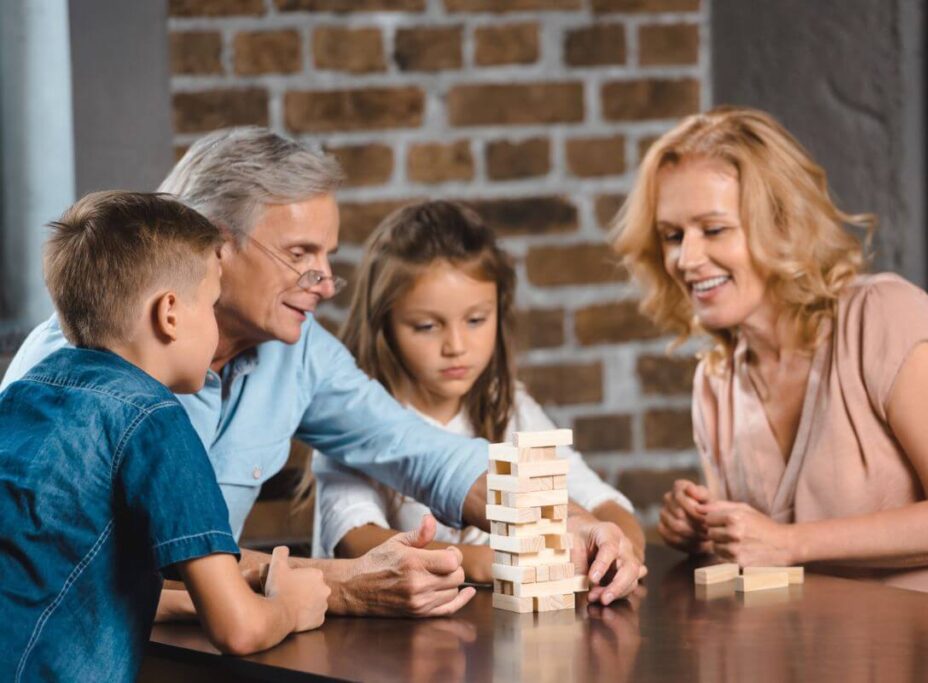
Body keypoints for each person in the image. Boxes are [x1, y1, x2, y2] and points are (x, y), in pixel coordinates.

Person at [2, 127, 642, 615]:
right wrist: (341, 586)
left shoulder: (299, 350)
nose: (326, 283)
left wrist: (566, 520)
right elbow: (126, 568)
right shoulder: (80, 358)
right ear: (214, 246)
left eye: (328, 256)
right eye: (301, 255)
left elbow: (421, 451)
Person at [613, 106, 928, 605]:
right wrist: (706, 530)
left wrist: (788, 543)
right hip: (830, 646)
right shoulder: (716, 382)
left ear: (782, 225)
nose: (687, 258)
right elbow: (759, 553)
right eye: (673, 236)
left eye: (714, 229)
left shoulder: (886, 318)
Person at [0, 192, 330, 682]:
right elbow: (237, 629)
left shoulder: (22, 394)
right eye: (214, 306)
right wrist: (291, 607)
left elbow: (64, 584)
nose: (218, 330)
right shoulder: (155, 420)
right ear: (170, 313)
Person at [309, 201, 645, 583]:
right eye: (425, 326)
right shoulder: (350, 418)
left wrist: (621, 549)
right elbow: (354, 540)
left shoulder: (510, 405)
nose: (456, 345)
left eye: (475, 320)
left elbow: (598, 500)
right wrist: (490, 561)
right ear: (383, 325)